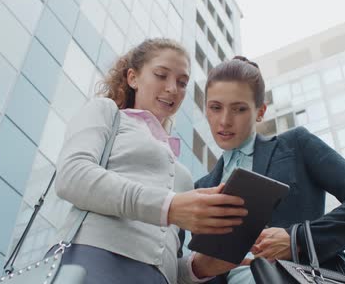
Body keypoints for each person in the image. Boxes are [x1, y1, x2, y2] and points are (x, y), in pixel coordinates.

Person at [52, 39, 249, 284]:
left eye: (182, 82)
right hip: (91, 262)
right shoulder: (107, 113)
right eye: (161, 75)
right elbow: (72, 176)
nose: (172, 89)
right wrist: (170, 206)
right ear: (133, 78)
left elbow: (168, 265)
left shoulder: (183, 175)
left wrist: (201, 266)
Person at [194, 56, 345, 284]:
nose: (225, 121)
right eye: (215, 108)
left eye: (239, 109)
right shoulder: (201, 188)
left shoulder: (295, 146)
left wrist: (296, 239)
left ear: (260, 112)